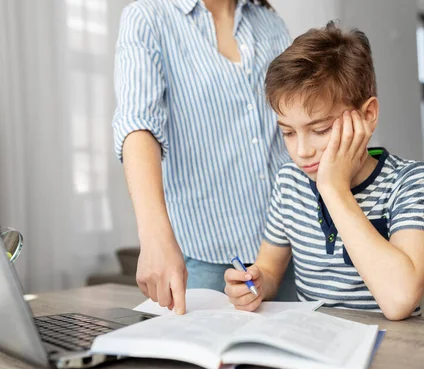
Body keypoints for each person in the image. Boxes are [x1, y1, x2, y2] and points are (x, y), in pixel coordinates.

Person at [224, 21, 424, 320]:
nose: (302, 151)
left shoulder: (412, 182)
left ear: (367, 115)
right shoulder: (290, 182)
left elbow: (399, 300)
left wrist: (334, 188)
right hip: (315, 342)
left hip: (394, 349)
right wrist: (257, 283)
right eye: (288, 132)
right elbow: (271, 270)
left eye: (321, 129)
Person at [112, 0, 296, 315]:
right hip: (201, 257)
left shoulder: (270, 24)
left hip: (286, 251)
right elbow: (138, 125)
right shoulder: (148, 17)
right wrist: (154, 236)